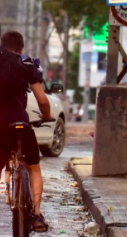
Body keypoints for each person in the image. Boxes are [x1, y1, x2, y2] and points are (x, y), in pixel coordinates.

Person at [0, 31, 53, 232]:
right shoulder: (28, 63)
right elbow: (42, 100)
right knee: (33, 167)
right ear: (21, 48)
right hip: (19, 122)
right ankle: (37, 216)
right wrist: (46, 117)